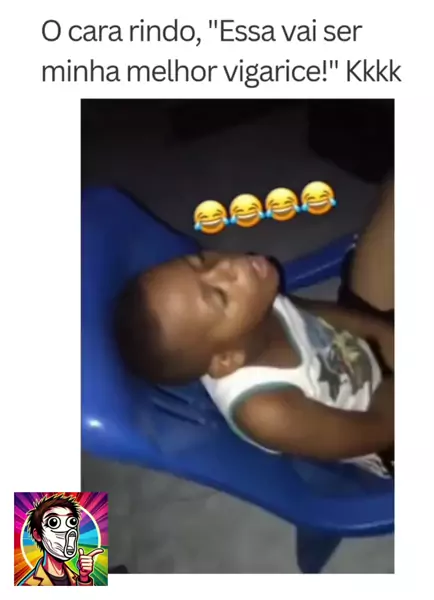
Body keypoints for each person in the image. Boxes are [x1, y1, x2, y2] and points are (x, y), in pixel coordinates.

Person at [114, 181, 394, 478]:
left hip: (369, 361)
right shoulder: (266, 410)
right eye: (219, 295)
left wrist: (386, 337)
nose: (227, 266)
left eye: (202, 261)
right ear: (227, 359)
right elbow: (373, 431)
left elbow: (325, 317)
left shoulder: (258, 302)